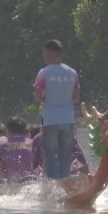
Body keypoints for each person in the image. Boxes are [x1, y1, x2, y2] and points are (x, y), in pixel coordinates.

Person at [33, 39, 80, 179]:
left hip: (51, 119)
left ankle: (54, 185)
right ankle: (65, 181)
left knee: (50, 153)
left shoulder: (43, 73)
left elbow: (38, 96)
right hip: (68, 119)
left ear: (49, 53)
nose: (44, 56)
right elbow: (76, 98)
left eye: (44, 53)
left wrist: (48, 99)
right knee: (65, 153)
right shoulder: (72, 73)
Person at [0, 117, 35, 183]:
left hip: (14, 183)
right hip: (31, 181)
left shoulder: (2, 147)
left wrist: (7, 178)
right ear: (24, 130)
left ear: (8, 130)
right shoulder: (32, 144)